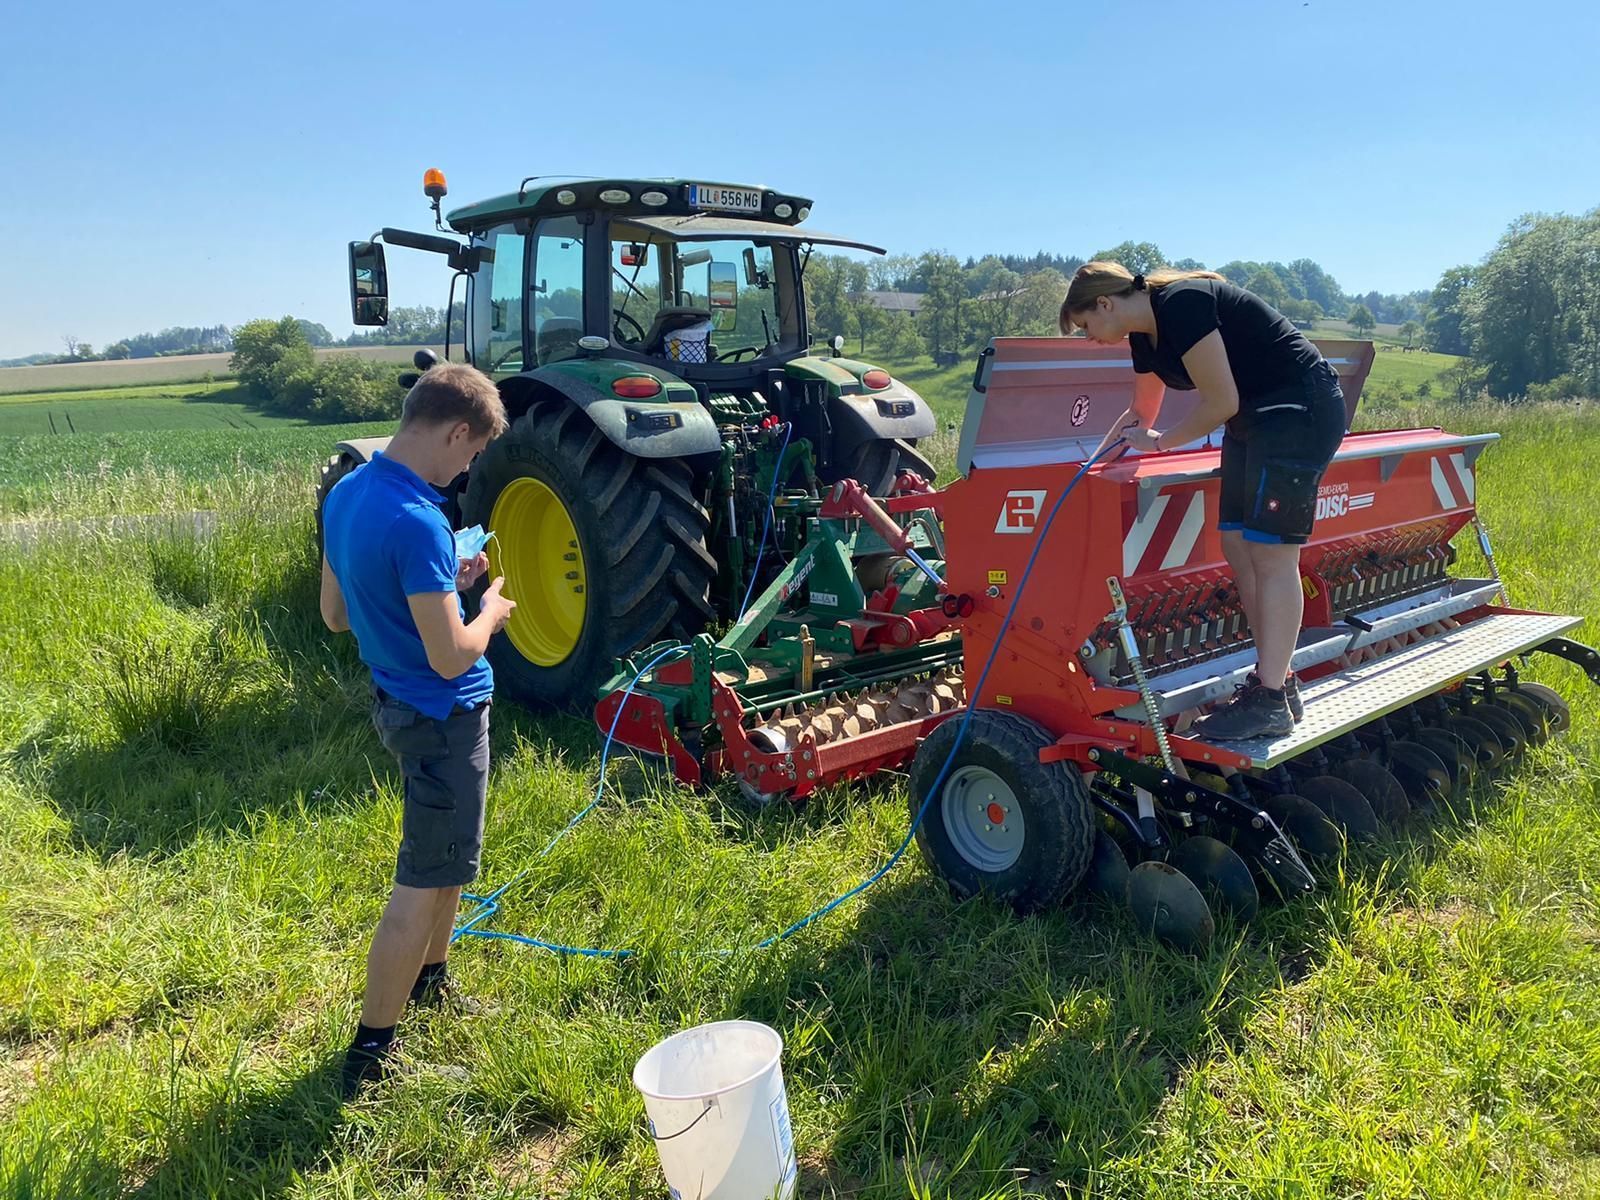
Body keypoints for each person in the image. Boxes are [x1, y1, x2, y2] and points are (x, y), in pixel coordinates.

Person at [319, 362, 514, 1095]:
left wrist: (442, 588)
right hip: (442, 717)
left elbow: (337, 615)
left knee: (448, 862)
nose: (466, 470)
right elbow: (451, 655)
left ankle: (432, 979)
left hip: (397, 706)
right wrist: (488, 610)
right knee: (422, 879)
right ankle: (372, 1053)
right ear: (457, 431)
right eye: (473, 454)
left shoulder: (348, 493)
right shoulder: (419, 520)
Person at [1061, 262, 1347, 740]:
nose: (1090, 338)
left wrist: (1161, 443)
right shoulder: (1143, 339)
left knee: (1272, 556)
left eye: (1086, 325)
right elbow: (1141, 412)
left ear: (1104, 303)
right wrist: (1087, 468)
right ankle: (1278, 681)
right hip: (1252, 422)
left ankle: (1269, 699)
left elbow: (1220, 402)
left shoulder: (1182, 304)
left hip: (1298, 410)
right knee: (1237, 545)